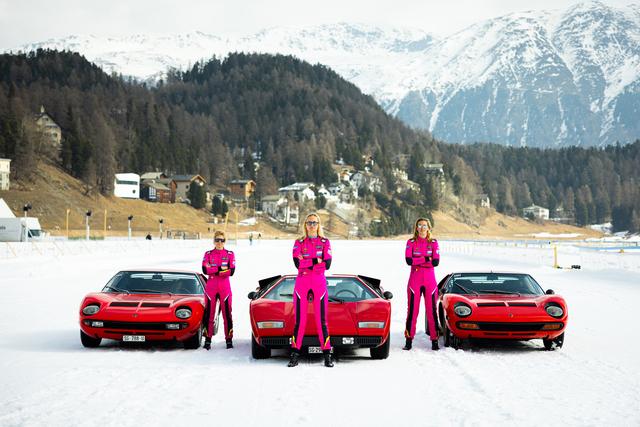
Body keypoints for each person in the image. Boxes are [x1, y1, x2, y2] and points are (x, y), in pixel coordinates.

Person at [288, 213, 333, 368]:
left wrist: (306, 262)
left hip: (319, 283)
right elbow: (297, 264)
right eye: (309, 222)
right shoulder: (299, 242)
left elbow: (327, 264)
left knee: (321, 321)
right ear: (305, 225)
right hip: (302, 283)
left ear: (318, 225)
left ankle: (327, 355)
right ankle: (294, 355)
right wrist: (315, 260)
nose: (312, 225)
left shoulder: (325, 242)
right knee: (300, 321)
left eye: (314, 222)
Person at [403, 217, 441, 351]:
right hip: (415, 280)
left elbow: (435, 262)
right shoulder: (411, 242)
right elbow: (408, 261)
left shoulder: (434, 243)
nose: (422, 228)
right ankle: (408, 340)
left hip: (430, 281)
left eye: (425, 225)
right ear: (416, 227)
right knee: (412, 311)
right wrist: (426, 258)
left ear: (428, 228)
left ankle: (435, 341)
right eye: (419, 225)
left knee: (432, 311)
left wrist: (417, 260)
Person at [201, 230, 236, 350]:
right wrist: (220, 269)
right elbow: (205, 270)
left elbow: (231, 271)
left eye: (222, 240)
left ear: (225, 241)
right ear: (214, 241)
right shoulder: (208, 254)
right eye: (217, 240)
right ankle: (208, 340)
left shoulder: (230, 254)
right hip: (211, 287)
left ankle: (229, 340)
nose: (219, 242)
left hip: (224, 287)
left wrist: (213, 269)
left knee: (227, 314)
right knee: (209, 314)